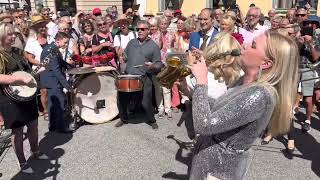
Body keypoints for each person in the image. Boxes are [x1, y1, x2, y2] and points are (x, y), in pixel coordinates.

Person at [189, 30, 299, 179]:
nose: (245, 45)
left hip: (217, 170)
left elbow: (204, 125)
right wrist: (190, 89)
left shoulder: (260, 94)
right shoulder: (245, 82)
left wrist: (201, 82)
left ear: (266, 63)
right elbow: (222, 111)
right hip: (207, 162)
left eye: (253, 45)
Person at [0, 23, 48, 174]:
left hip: (26, 94)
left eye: (14, 33)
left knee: (33, 124)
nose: (13, 36)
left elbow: (26, 72)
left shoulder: (17, 51)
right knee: (18, 131)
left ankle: (36, 151)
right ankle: (22, 161)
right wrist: (16, 80)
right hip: (9, 98)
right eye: (9, 34)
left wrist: (38, 71)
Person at [114, 20, 162, 130]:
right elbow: (125, 56)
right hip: (129, 76)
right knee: (122, 99)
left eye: (142, 29)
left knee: (146, 102)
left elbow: (159, 64)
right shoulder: (132, 43)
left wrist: (152, 66)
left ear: (148, 30)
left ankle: (152, 120)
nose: (139, 31)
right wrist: (122, 57)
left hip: (145, 77)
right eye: (138, 29)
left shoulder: (153, 46)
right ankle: (123, 119)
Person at [40, 32, 73, 133]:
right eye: (65, 42)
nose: (66, 45)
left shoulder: (51, 48)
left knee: (52, 104)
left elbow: (60, 61)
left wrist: (70, 67)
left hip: (48, 80)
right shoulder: (52, 51)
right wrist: (67, 86)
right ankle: (61, 127)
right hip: (53, 80)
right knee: (60, 103)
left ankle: (52, 126)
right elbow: (57, 71)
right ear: (58, 40)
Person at [24, 15, 49, 120]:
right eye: (39, 26)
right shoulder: (31, 41)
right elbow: (29, 58)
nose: (42, 27)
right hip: (40, 69)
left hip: (53, 68)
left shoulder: (51, 37)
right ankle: (46, 111)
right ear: (35, 28)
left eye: (43, 25)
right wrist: (41, 63)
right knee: (44, 91)